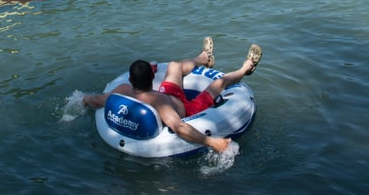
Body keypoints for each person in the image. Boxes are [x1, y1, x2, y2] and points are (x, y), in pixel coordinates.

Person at [82, 38, 263, 153]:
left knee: (174, 66)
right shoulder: (160, 104)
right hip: (188, 109)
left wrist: (83, 100)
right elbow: (179, 127)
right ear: (153, 76)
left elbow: (96, 100)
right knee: (221, 82)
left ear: (130, 79)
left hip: (169, 94)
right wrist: (211, 142)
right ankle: (246, 68)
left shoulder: (122, 89)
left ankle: (205, 58)